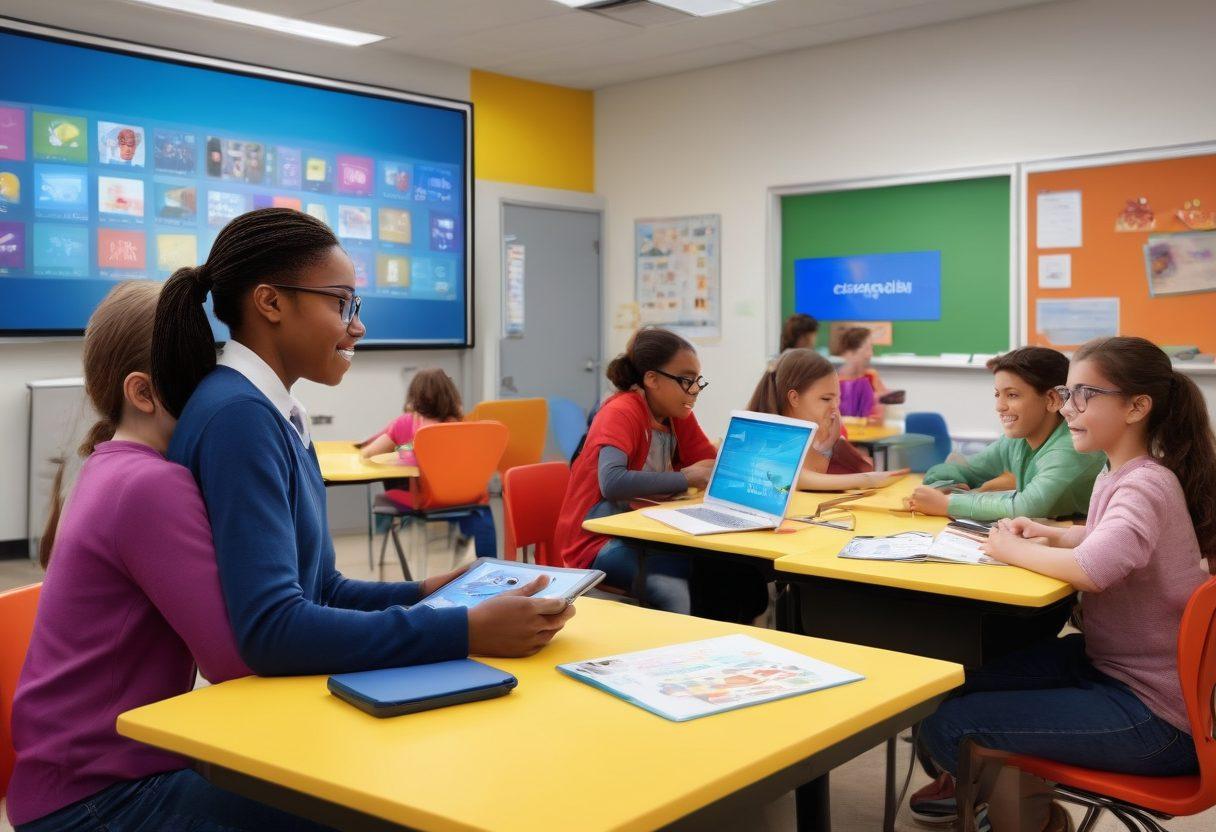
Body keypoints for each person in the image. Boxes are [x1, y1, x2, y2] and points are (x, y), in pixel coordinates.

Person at [151, 207, 572, 676]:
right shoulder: (239, 418)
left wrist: (426, 591)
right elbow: (272, 631)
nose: (357, 326)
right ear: (270, 303)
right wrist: (465, 631)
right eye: (340, 303)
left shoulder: (274, 412)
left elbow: (323, 588)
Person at [8, 283, 325, 831]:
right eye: (205, 382)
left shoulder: (114, 466)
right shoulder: (150, 486)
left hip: (86, 781)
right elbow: (235, 660)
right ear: (144, 393)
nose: (221, 399)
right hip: (96, 801)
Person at [910, 336, 1216, 826]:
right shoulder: (1122, 473)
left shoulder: (1143, 484)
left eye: (1083, 396)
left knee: (950, 725)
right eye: (1065, 392)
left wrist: (1016, 548)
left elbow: (1094, 571)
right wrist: (1056, 535)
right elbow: (1108, 541)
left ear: (1137, 406)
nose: (1066, 407)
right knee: (955, 687)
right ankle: (1026, 812)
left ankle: (1029, 817)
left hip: (1154, 717)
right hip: (1118, 671)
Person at [555, 327, 716, 613]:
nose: (693, 391)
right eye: (685, 381)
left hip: (647, 531)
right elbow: (612, 482)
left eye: (697, 381)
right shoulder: (621, 411)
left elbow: (711, 464)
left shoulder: (677, 413)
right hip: (594, 541)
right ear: (651, 379)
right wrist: (686, 477)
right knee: (676, 584)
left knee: (728, 573)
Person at [909, 347, 1106, 520]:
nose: (999, 406)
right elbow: (960, 469)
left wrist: (947, 504)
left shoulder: (1072, 447)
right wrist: (946, 488)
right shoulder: (1017, 441)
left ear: (1052, 400)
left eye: (1012, 395)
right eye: (997, 394)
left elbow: (1026, 507)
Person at [360, 368, 495, 556]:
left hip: (424, 500)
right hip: (462, 498)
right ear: (450, 395)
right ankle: (488, 564)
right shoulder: (461, 425)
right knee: (480, 508)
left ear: (414, 397)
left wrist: (398, 455)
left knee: (385, 495)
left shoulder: (405, 423)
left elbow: (369, 454)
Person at [746, 349, 908, 491]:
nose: (835, 407)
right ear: (794, 398)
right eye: (825, 399)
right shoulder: (763, 434)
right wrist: (866, 480)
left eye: (837, 399)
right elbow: (789, 477)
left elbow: (811, 475)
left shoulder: (823, 432)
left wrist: (827, 448)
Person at [834, 326, 888, 420]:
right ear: (850, 352)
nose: (870, 354)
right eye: (868, 348)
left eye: (871, 348)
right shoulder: (833, 381)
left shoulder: (871, 376)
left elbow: (883, 405)